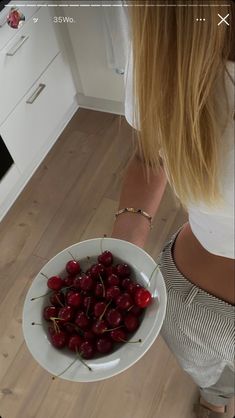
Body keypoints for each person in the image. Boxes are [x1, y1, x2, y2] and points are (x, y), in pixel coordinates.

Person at [111, 1, 235, 417]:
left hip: (194, 296)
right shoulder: (166, 43)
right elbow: (151, 158)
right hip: (192, 304)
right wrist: (121, 257)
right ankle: (214, 399)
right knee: (210, 376)